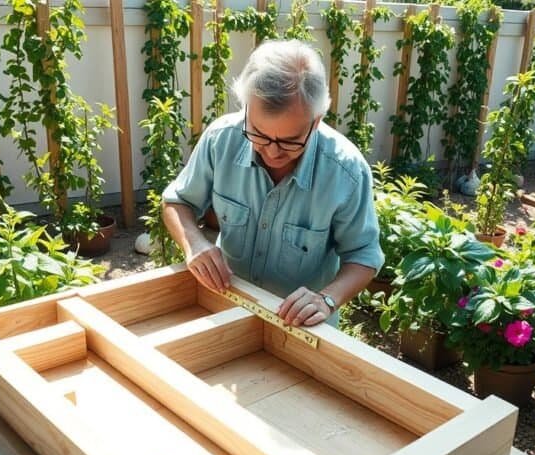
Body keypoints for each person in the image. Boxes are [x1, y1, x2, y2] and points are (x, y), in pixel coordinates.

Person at [162, 39, 383, 327]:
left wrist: (326, 299)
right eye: (259, 134)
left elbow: (364, 254)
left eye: (290, 141)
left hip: (301, 326)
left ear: (316, 121)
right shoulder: (221, 139)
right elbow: (177, 201)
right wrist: (194, 243)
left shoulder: (346, 172)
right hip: (227, 304)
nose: (272, 151)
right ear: (246, 109)